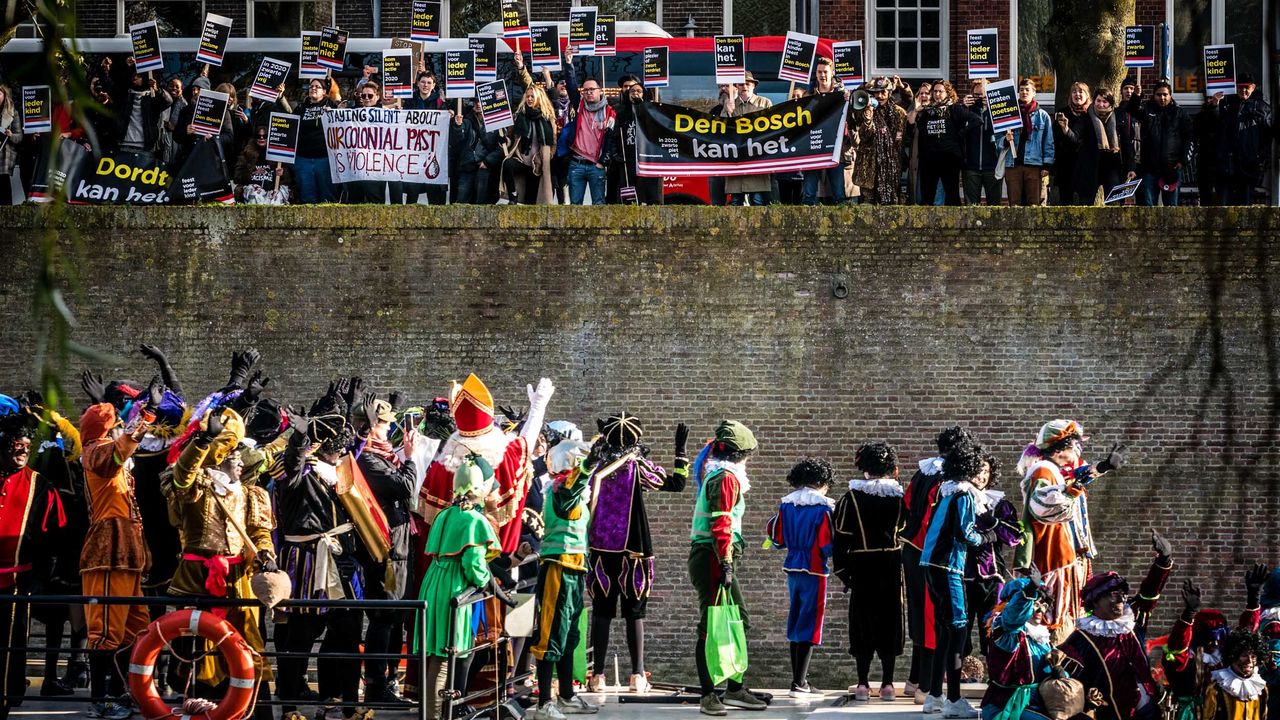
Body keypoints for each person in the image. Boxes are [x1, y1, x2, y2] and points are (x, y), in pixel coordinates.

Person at [164, 407, 276, 716]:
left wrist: (265, 553)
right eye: (234, 456)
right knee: (199, 647)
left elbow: (259, 532)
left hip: (238, 580)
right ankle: (205, 709)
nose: (240, 461)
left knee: (246, 644)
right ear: (219, 458)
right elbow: (183, 476)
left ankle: (252, 710)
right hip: (197, 579)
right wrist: (202, 441)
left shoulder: (251, 494)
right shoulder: (196, 488)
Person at [272, 389, 368, 720]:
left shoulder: (338, 471)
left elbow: (354, 457)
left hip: (342, 563)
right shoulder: (298, 471)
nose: (341, 454)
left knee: (348, 636)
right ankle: (289, 708)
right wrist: (299, 438)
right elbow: (292, 463)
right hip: (308, 564)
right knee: (299, 640)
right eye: (336, 449)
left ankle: (346, 706)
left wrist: (357, 422)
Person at [585, 415, 688, 694]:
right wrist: (680, 453)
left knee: (602, 612)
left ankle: (597, 676)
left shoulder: (596, 466)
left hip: (600, 546)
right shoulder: (637, 465)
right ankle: (637, 675)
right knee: (634, 612)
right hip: (634, 547)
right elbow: (676, 483)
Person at [79, 387, 162, 720]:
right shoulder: (95, 453)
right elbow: (118, 451)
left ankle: (123, 691)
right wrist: (146, 416)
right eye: (115, 425)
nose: (120, 430)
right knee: (106, 630)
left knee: (136, 627)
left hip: (127, 555)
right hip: (107, 554)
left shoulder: (109, 456)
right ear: (105, 431)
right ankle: (102, 700)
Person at [1014, 420, 1126, 643]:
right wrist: (1073, 490)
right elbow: (1043, 506)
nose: (1077, 449)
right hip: (1053, 556)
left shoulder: (1054, 471)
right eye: (1074, 444)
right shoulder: (1043, 471)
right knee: (1054, 613)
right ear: (1059, 448)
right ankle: (1053, 656)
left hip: (1069, 554)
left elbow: (1076, 479)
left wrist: (1103, 466)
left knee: (1070, 612)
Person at [689, 420, 767, 716]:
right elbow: (721, 523)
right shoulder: (725, 478)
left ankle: (734, 689)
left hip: (714, 555)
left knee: (737, 619)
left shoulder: (718, 474)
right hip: (712, 556)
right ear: (740, 455)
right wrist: (725, 562)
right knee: (711, 624)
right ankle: (708, 695)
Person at [415, 455, 502, 720]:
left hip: (434, 582)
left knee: (436, 656)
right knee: (444, 658)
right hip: (453, 586)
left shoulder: (444, 514)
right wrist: (485, 583)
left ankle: (434, 714)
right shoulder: (474, 520)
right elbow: (473, 564)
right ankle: (435, 716)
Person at [1057, 533, 1175, 720]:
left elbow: (1150, 591)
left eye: (1122, 594)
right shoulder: (1081, 639)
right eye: (1113, 594)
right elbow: (1069, 679)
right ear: (1095, 601)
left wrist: (1163, 560)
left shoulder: (1132, 619)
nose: (1121, 599)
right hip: (1114, 714)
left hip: (1149, 709)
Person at [919, 441, 993, 718]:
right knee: (959, 630)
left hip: (931, 565)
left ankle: (934, 695)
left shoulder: (947, 493)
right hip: (948, 566)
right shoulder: (964, 496)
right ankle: (953, 699)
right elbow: (965, 533)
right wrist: (986, 537)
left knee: (944, 630)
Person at [0, 410, 65, 720]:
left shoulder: (40, 486)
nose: (22, 452)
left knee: (10, 649)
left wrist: (41, 576)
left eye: (27, 447)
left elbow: (53, 538)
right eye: (16, 446)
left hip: (17, 584)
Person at [902, 426, 973, 704]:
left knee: (919, 614)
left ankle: (914, 679)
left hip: (913, 550)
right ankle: (927, 686)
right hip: (936, 554)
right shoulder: (950, 480)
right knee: (936, 620)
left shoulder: (923, 472)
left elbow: (908, 504)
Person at [530, 436, 597, 720]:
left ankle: (567, 695)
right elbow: (574, 487)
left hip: (576, 567)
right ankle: (544, 702)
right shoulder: (561, 490)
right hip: (557, 567)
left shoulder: (572, 490)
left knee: (570, 634)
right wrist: (590, 464)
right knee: (551, 633)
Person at [357, 398, 419, 704]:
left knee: (395, 617)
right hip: (385, 550)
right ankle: (375, 685)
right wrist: (410, 458)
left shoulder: (383, 456)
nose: (390, 427)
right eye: (384, 423)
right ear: (371, 427)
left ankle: (390, 680)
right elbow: (404, 487)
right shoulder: (367, 460)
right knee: (383, 617)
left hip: (399, 546)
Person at [832, 442, 904, 701]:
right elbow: (907, 528)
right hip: (891, 565)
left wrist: (843, 572)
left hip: (862, 566)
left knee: (863, 622)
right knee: (890, 621)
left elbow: (840, 538)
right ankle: (888, 685)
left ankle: (862, 684)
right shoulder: (899, 497)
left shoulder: (850, 498)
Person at [766, 457, 835, 699]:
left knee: (795, 621)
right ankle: (799, 682)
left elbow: (777, 538)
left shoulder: (786, 505)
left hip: (792, 566)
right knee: (810, 623)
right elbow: (827, 545)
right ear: (822, 482)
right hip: (814, 569)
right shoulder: (823, 508)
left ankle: (799, 680)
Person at [978, 576, 1054, 720]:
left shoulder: (1043, 637)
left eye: (1043, 604)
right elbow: (1012, 620)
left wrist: (1060, 671)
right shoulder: (1008, 634)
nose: (1040, 609)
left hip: (1039, 703)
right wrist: (1028, 593)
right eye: (1035, 603)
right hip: (1007, 706)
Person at [1203, 73, 1273, 206]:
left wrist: (1260, 157)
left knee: (1245, 204)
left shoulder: (1262, 108)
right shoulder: (1226, 103)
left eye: (1246, 87)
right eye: (1240, 87)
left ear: (1253, 87)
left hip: (1249, 165)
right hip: (1226, 165)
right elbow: (1210, 125)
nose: (1243, 90)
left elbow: (1268, 136)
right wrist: (1214, 106)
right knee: (1224, 204)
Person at [907, 80, 977, 206]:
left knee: (952, 196)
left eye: (940, 91)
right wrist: (916, 110)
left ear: (947, 93)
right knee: (927, 198)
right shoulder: (928, 111)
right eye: (935, 91)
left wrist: (960, 134)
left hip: (949, 159)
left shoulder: (954, 109)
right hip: (930, 160)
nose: (937, 94)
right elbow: (911, 127)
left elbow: (976, 120)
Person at [562, 46, 615, 205]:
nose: (589, 92)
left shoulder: (609, 113)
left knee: (599, 205)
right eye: (585, 90)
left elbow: (611, 140)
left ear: (600, 91)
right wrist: (568, 63)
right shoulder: (579, 105)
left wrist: (603, 162)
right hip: (576, 164)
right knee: (575, 207)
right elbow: (571, 86)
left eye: (592, 89)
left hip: (596, 166)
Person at [506, 54, 558, 204]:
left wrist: (545, 158)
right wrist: (521, 67)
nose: (529, 99)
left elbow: (553, 143)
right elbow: (511, 136)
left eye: (532, 96)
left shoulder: (547, 117)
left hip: (538, 164)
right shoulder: (520, 115)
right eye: (527, 96)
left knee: (531, 200)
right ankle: (512, 195)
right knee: (508, 165)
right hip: (522, 160)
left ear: (538, 98)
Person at [997, 78, 1054, 206]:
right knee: (1014, 204)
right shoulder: (1009, 114)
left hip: (1034, 165)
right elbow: (997, 139)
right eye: (1021, 90)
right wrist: (1005, 140)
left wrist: (1047, 165)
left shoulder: (1042, 116)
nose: (1024, 92)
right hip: (1013, 165)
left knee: (1034, 204)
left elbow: (1048, 142)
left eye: (1027, 90)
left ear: (1034, 93)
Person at [1071, 88, 1135, 205]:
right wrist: (1066, 129)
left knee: (1114, 201)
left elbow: (1126, 143)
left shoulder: (1119, 116)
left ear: (1110, 103)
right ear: (1094, 101)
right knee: (1086, 201)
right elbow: (1075, 136)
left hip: (1113, 163)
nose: (1101, 105)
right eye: (1098, 101)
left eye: (1105, 102)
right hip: (1091, 164)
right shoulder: (1086, 116)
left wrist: (1131, 166)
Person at [850, 77, 907, 205]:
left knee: (890, 204)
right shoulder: (865, 109)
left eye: (883, 92)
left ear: (889, 93)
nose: (880, 96)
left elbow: (899, 139)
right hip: (868, 165)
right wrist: (868, 120)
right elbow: (864, 136)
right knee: (867, 204)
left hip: (890, 166)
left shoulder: (899, 113)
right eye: (876, 92)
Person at [721, 73, 773, 206]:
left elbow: (772, 129)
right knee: (736, 201)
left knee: (757, 200)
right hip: (736, 161)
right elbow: (720, 129)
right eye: (741, 84)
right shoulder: (730, 105)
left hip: (756, 160)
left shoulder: (765, 103)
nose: (744, 86)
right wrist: (727, 110)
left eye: (747, 84)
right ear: (736, 87)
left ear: (753, 86)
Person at [611, 75, 663, 205]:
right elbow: (614, 135)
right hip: (628, 157)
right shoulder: (621, 113)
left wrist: (642, 106)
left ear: (644, 94)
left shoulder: (651, 112)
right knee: (630, 191)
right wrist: (615, 152)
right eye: (632, 91)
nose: (635, 93)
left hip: (647, 158)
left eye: (638, 91)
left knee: (650, 191)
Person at [802, 57, 848, 206]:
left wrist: (850, 100)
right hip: (813, 147)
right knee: (809, 194)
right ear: (816, 74)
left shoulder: (842, 95)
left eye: (825, 72)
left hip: (835, 149)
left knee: (839, 194)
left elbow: (859, 112)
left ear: (832, 73)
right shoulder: (808, 96)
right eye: (819, 72)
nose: (822, 75)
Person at [1203, 630, 1270, 720]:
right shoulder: (1216, 689)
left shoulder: (1261, 689)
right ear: (1233, 656)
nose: (1249, 661)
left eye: (1253, 656)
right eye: (1244, 655)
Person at [111, 64, 173, 157]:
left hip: (145, 147)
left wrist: (158, 90)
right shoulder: (125, 95)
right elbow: (111, 87)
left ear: (145, 78)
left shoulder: (152, 97)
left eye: (139, 75)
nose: (135, 77)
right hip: (124, 144)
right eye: (133, 75)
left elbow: (168, 101)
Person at [295, 78, 339, 203]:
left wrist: (335, 112)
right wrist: (281, 98)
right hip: (303, 158)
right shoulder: (301, 107)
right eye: (311, 86)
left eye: (317, 86)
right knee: (307, 197)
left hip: (325, 158)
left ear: (324, 91)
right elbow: (289, 123)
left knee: (327, 197)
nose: (313, 88)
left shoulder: (331, 106)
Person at [961, 79, 1002, 205]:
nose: (980, 98)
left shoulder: (997, 112)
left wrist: (991, 108)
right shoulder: (966, 111)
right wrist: (963, 108)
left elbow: (1003, 135)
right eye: (976, 95)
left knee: (994, 206)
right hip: (970, 166)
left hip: (993, 166)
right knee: (971, 207)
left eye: (983, 95)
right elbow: (957, 131)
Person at [1052, 82, 1092, 205]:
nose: (1077, 94)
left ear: (1087, 95)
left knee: (1086, 201)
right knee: (1065, 200)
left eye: (1081, 91)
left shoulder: (1091, 114)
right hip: (1066, 164)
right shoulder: (1063, 113)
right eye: (1074, 92)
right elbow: (1055, 138)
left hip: (1085, 164)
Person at [235, 125, 292, 204]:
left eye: (265, 136)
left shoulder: (278, 155)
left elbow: (288, 179)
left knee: (277, 198)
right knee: (254, 195)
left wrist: (282, 174)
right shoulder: (247, 154)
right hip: (253, 189)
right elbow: (237, 176)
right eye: (259, 136)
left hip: (272, 189)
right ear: (255, 138)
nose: (261, 138)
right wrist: (252, 173)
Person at [0, 84, 23, 205]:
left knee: (3, 183)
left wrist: (10, 135)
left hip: (4, 155)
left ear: (5, 96)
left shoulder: (13, 113)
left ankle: (6, 210)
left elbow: (19, 137)